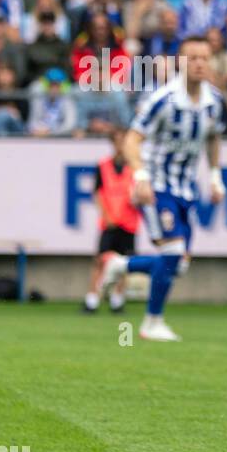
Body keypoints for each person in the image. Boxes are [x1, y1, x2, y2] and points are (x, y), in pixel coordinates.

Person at [99, 36, 226, 342]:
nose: (199, 64)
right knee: (171, 252)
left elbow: (213, 138)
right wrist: (140, 176)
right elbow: (132, 139)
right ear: (181, 63)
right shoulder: (163, 99)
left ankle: (121, 264)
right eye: (192, 58)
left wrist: (215, 176)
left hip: (185, 188)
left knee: (179, 264)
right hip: (155, 186)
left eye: (204, 58)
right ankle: (151, 322)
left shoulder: (214, 101)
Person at [84, 126, 140, 314]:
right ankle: (92, 300)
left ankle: (117, 300)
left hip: (129, 222)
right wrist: (105, 215)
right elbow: (98, 193)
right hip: (109, 221)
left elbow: (141, 194)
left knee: (124, 264)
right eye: (117, 141)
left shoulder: (136, 168)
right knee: (101, 261)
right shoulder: (103, 165)